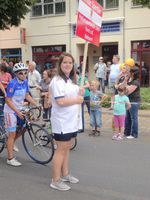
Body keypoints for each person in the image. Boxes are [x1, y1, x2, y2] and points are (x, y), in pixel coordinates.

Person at [49, 52, 84, 191]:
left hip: (72, 121)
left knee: (67, 147)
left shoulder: (70, 80)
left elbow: (74, 95)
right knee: (61, 150)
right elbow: (61, 101)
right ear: (60, 64)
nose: (68, 64)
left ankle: (65, 174)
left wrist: (80, 92)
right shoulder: (56, 81)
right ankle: (55, 180)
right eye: (65, 62)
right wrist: (76, 99)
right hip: (62, 122)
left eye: (70, 62)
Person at [4, 63, 38, 167]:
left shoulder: (25, 82)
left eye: (25, 72)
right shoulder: (12, 84)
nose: (24, 75)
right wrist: (17, 112)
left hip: (20, 108)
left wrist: (36, 104)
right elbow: (8, 100)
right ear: (16, 74)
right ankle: (10, 158)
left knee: (25, 127)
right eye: (21, 73)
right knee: (12, 133)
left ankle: (11, 142)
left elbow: (27, 95)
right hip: (10, 110)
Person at [124, 66, 141, 139]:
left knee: (133, 118)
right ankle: (127, 132)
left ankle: (134, 134)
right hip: (128, 101)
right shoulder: (130, 80)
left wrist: (125, 87)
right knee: (127, 117)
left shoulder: (135, 82)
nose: (128, 73)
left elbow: (127, 92)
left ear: (133, 73)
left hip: (134, 101)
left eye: (130, 71)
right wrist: (125, 80)